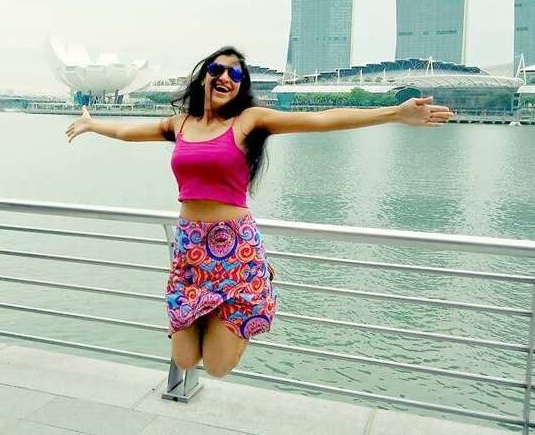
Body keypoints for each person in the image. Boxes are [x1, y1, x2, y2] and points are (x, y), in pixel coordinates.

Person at [64, 46, 454, 378]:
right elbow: (129, 133)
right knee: (184, 359)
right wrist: (93, 124)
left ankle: (256, 287)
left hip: (235, 246)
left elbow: (320, 120)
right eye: (218, 68)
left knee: (216, 366)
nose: (226, 76)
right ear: (204, 77)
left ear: (240, 85)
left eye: (235, 73)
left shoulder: (249, 121)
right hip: (190, 250)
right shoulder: (180, 124)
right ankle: (233, 293)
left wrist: (392, 114)